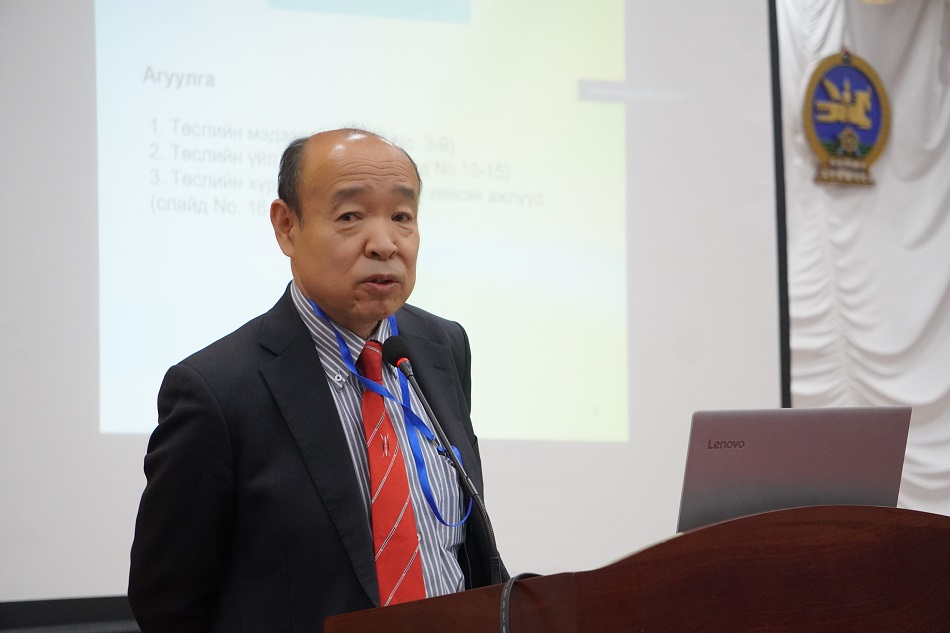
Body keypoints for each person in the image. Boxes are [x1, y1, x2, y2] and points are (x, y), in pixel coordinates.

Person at [128, 129, 501, 632]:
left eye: (402, 217)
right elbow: (167, 604)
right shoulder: (215, 390)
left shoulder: (441, 347)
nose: (385, 244)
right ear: (287, 227)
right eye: (350, 216)